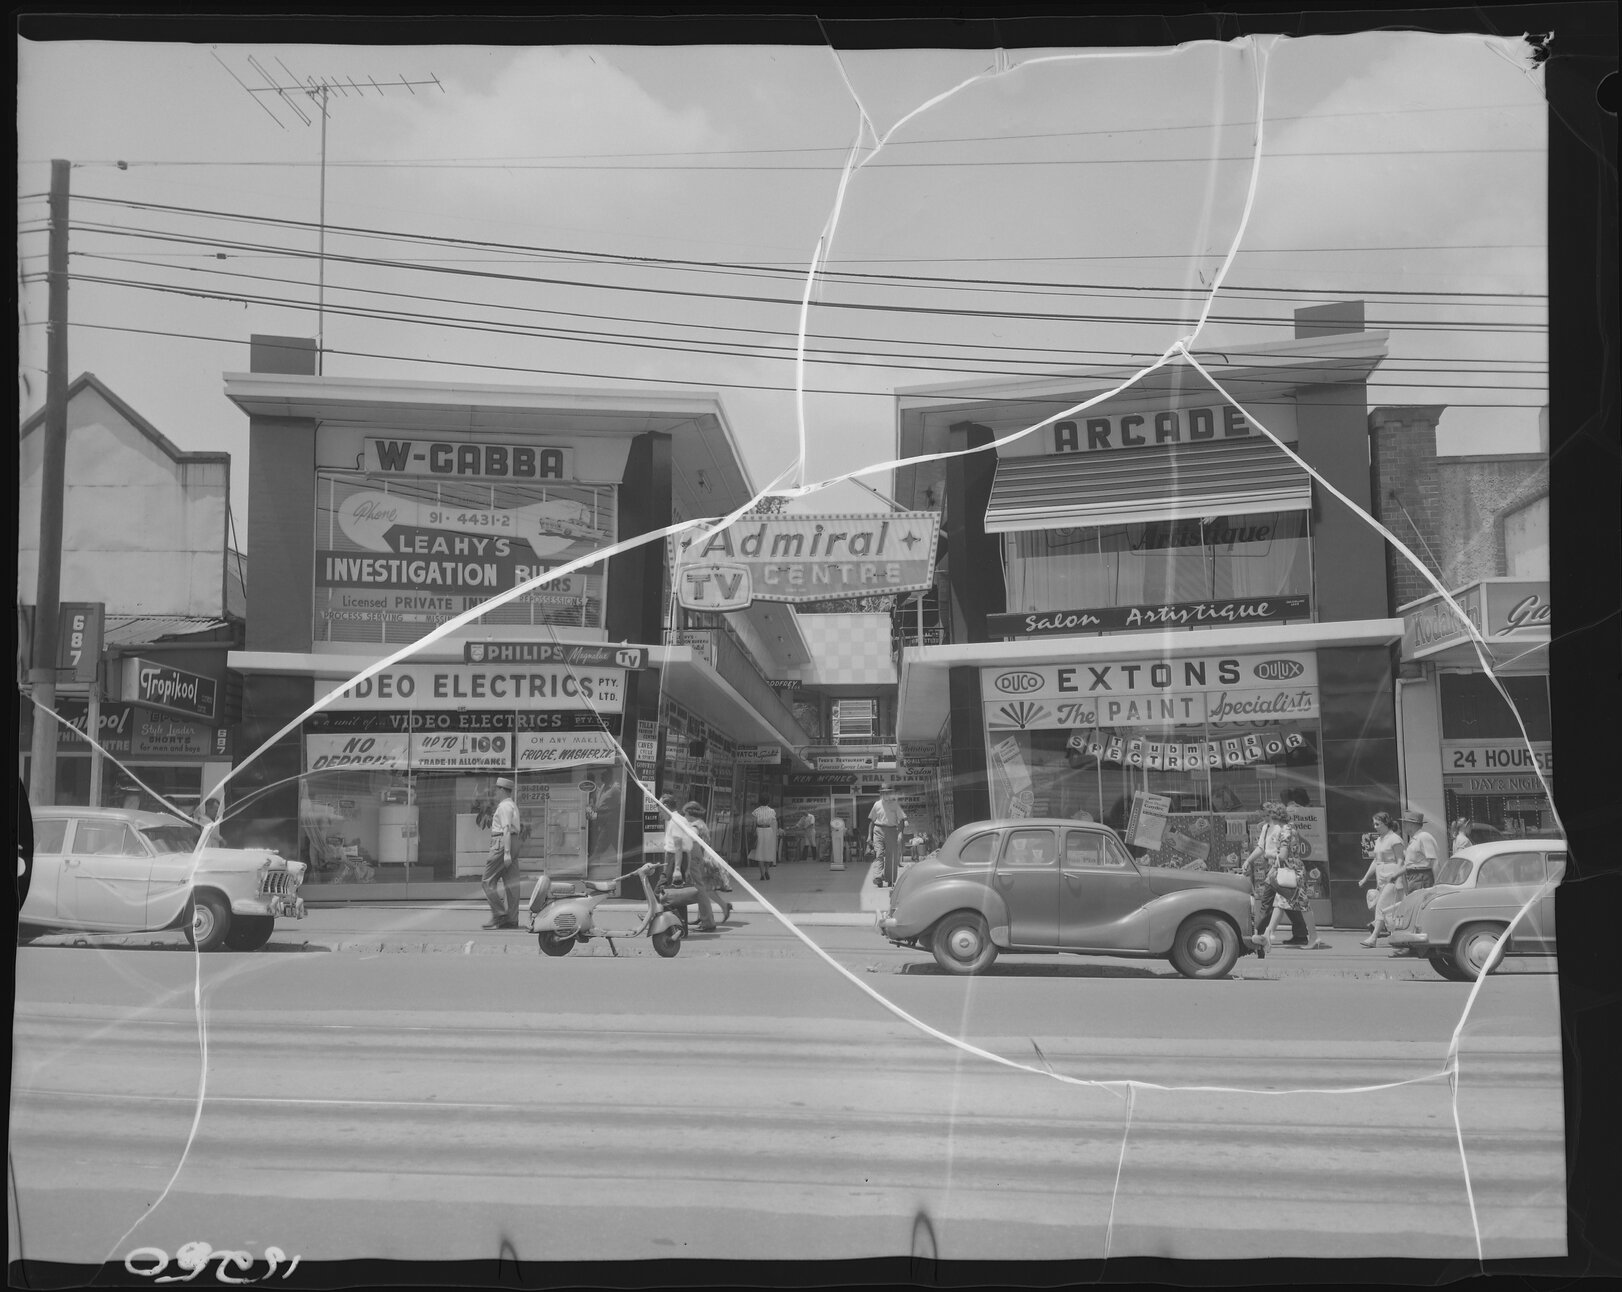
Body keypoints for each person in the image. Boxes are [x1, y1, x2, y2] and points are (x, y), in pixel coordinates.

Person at [1241, 802, 1298, 956]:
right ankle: (1301, 932)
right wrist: (1248, 861)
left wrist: (1271, 859)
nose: (1265, 818)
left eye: (1267, 815)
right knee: (1288, 900)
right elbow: (1261, 848)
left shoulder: (1281, 829)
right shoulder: (1266, 828)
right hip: (1271, 866)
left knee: (1268, 901)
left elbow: (1282, 852)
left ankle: (1258, 933)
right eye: (1263, 815)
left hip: (1278, 867)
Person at [1358, 811, 1407, 947]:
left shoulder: (1395, 839)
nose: (1375, 826)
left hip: (1392, 877)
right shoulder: (1379, 840)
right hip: (1382, 878)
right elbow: (1376, 861)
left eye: (1377, 824)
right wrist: (1365, 878)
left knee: (1381, 906)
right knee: (1389, 909)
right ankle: (1396, 936)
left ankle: (1373, 938)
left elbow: (1400, 860)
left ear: (1386, 823)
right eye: (1374, 823)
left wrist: (1398, 879)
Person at [481, 777, 522, 930]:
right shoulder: (512, 805)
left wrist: (505, 852)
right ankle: (512, 919)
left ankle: (499, 915)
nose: (495, 793)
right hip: (514, 841)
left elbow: (505, 828)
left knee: (487, 881)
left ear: (503, 790)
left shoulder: (504, 806)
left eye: (497, 790)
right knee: (511, 882)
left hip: (502, 842)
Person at [680, 801, 719, 932]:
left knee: (700, 890)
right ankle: (703, 918)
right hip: (701, 858)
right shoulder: (702, 823)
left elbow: (691, 836)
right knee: (701, 888)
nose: (684, 817)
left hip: (695, 858)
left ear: (690, 814)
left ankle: (707, 921)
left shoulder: (695, 826)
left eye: (685, 814)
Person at [869, 788, 908, 888]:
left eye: (888, 792)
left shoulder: (895, 804)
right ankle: (878, 877)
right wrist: (869, 836)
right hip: (878, 830)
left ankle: (890, 879)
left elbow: (902, 820)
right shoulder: (877, 804)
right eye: (884, 792)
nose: (886, 794)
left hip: (891, 830)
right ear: (881, 794)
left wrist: (900, 833)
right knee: (879, 854)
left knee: (891, 857)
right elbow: (872, 821)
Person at [1400, 810, 1439, 896]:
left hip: (1422, 879)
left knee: (1420, 904)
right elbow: (1412, 863)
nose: (1403, 825)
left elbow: (1434, 862)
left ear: (1411, 824)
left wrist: (1436, 886)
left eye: (1405, 823)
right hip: (1414, 879)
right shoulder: (1414, 840)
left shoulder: (1424, 837)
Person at [748, 797, 778, 881]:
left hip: (759, 831)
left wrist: (752, 832)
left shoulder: (756, 811)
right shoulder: (772, 811)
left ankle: (762, 874)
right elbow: (773, 822)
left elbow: (753, 823)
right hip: (769, 831)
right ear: (768, 801)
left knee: (760, 852)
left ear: (759, 801)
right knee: (768, 851)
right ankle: (767, 871)